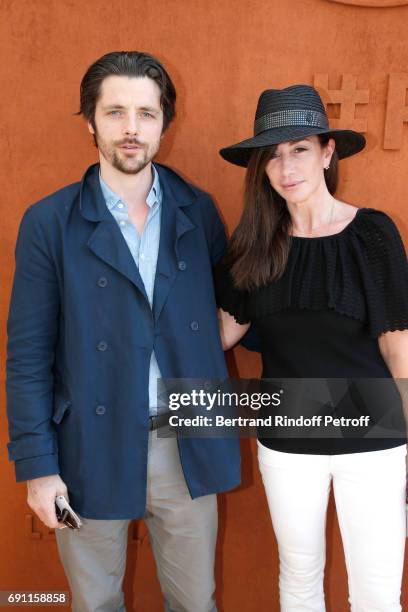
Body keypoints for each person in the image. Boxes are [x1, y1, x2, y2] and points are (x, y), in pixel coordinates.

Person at [6, 51, 240, 612]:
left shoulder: (196, 210)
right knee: (96, 604)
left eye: (146, 113)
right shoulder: (49, 222)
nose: (131, 128)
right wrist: (38, 470)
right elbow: (28, 354)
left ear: (164, 122)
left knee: (195, 602)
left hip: (185, 441)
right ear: (90, 121)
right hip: (89, 442)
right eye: (115, 113)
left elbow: (226, 305)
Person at [216, 84, 408, 611]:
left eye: (299, 148)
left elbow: (399, 350)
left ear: (328, 152)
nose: (285, 166)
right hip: (286, 444)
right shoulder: (255, 245)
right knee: (299, 579)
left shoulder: (373, 235)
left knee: (376, 591)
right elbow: (219, 334)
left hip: (374, 441)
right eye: (272, 155)